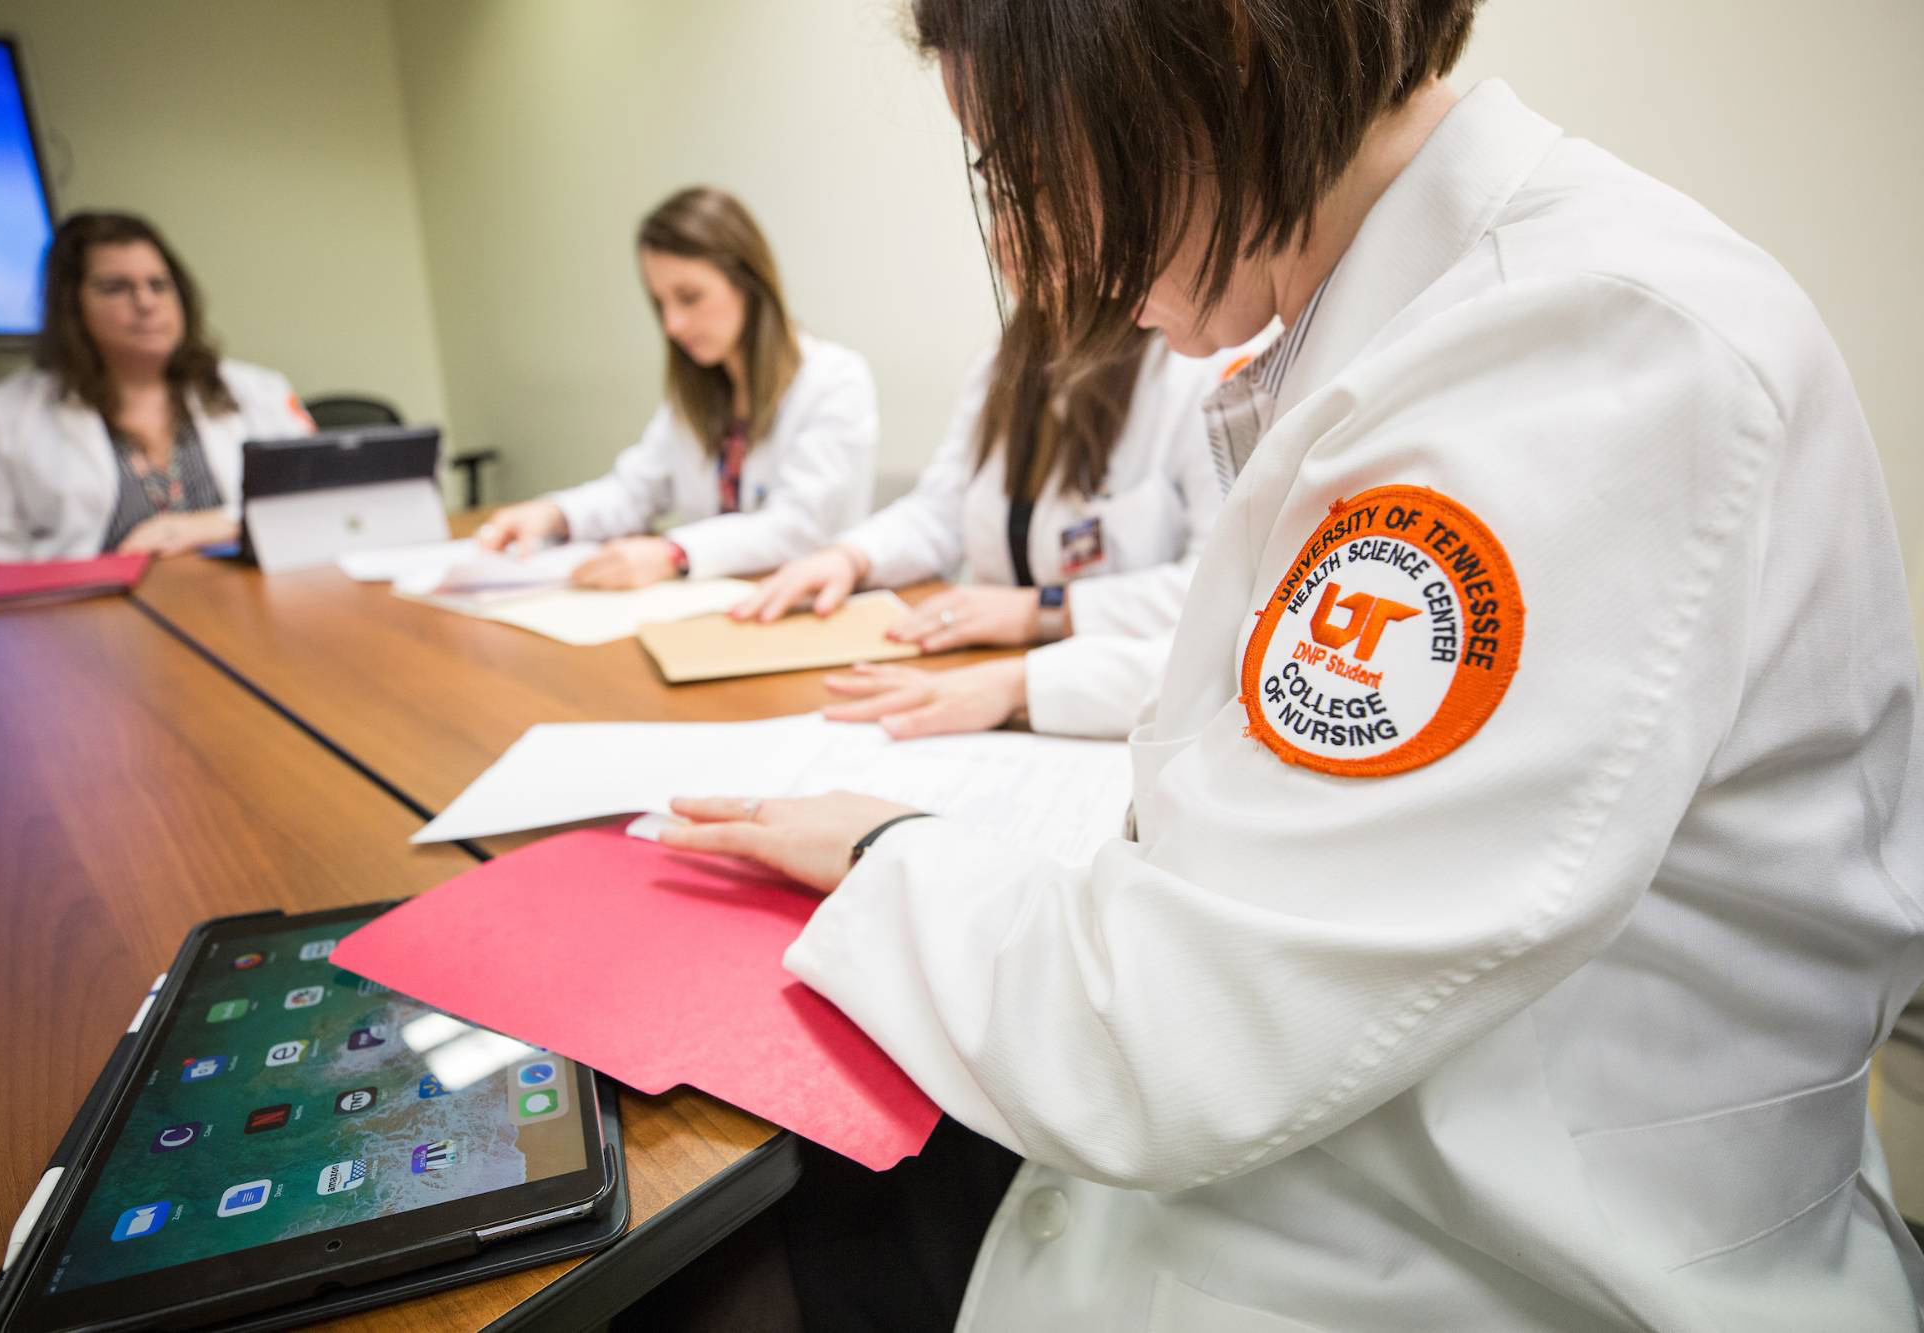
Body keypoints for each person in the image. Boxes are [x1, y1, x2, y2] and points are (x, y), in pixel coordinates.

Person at [659, 2, 1924, 1330]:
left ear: (1217, 42)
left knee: (724, 1252)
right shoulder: (1412, 330)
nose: (1035, 249)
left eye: (1025, 167)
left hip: (1479, 1271)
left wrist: (885, 852)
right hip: (1348, 1175)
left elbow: (1172, 1034)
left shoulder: (1579, 355)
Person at [738, 311, 1243, 739]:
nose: (1007, 242)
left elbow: (1217, 591)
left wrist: (1043, 612)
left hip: (1113, 705)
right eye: (999, 225)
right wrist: (850, 556)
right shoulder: (1001, 365)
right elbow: (942, 509)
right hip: (982, 679)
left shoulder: (1194, 370)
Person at [476, 187, 878, 588]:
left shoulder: (834, 380)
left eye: (689, 297)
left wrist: (674, 554)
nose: (672, 325)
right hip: (715, 605)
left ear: (749, 281)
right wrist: (552, 514)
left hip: (803, 607)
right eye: (661, 303)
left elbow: (798, 528)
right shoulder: (697, 393)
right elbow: (635, 490)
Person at [0, 211, 312, 560]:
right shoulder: (2, 413)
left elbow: (320, 504)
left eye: (158, 285)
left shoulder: (258, 391)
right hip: (85, 604)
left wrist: (224, 524)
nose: (146, 302)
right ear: (73, 306)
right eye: (115, 287)